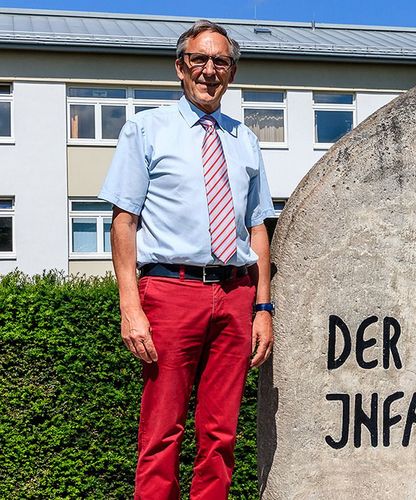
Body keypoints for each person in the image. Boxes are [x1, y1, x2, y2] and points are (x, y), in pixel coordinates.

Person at [99, 20, 275, 499]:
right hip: (170, 291)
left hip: (236, 293)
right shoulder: (146, 129)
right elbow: (123, 222)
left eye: (220, 61)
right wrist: (130, 307)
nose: (209, 70)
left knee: (220, 435)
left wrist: (263, 308)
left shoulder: (246, 140)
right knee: (162, 432)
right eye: (199, 59)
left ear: (232, 73)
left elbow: (257, 227)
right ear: (180, 67)